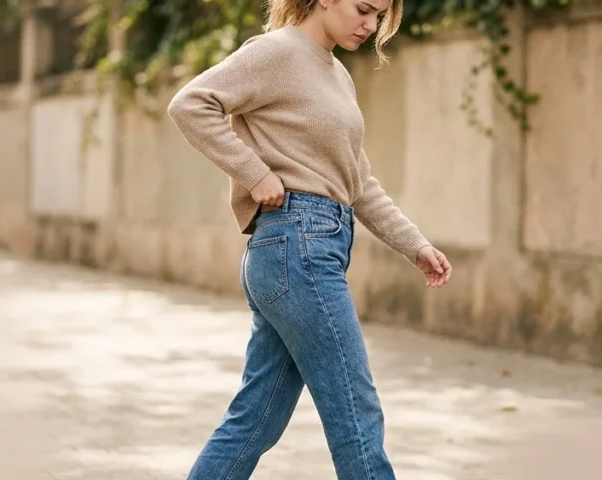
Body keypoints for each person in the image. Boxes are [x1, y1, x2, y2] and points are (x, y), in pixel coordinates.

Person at [166, 0, 452, 477]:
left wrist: (415, 245)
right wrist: (255, 173)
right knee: (355, 411)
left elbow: (357, 182)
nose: (371, 25)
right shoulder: (277, 51)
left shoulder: (338, 75)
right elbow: (191, 104)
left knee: (256, 420)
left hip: (306, 248)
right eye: (364, 9)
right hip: (298, 245)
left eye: (380, 17)